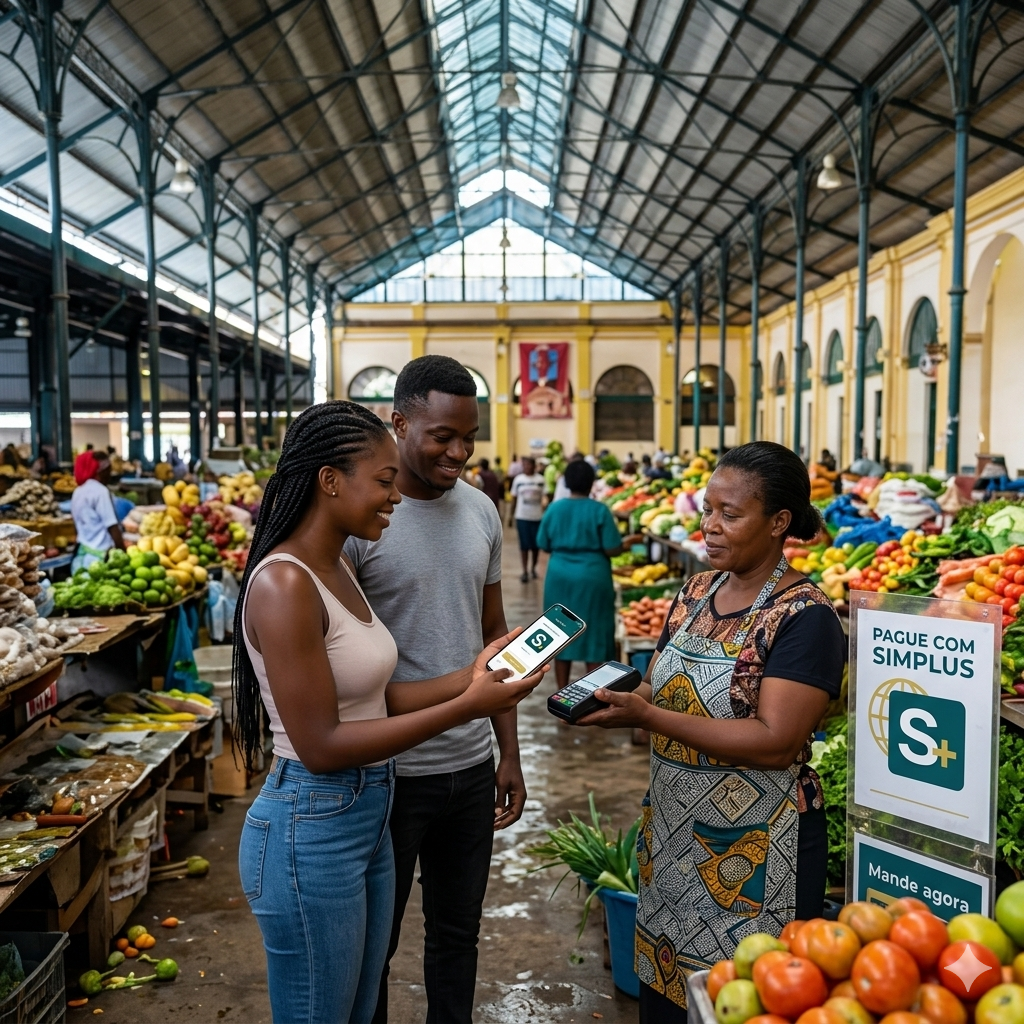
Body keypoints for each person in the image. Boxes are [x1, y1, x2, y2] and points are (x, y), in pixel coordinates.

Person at [235, 400, 545, 1024]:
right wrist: (467, 707)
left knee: (357, 1008)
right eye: (382, 482)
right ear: (330, 480)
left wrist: (472, 677)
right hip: (311, 824)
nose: (394, 497)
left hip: (366, 813)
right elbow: (321, 743)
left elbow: (377, 695)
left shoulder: (335, 568)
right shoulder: (285, 584)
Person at [577, 441, 845, 1024]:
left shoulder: (806, 616)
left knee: (744, 999)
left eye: (731, 513)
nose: (711, 527)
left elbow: (775, 740)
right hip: (673, 837)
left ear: (779, 523)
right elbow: (658, 685)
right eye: (708, 509)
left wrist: (646, 718)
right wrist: (616, 699)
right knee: (667, 997)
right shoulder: (696, 593)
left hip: (759, 848)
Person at [343, 356, 531, 1024]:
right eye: (442, 435)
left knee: (458, 936)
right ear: (399, 422)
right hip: (388, 775)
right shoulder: (364, 520)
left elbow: (493, 636)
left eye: (469, 436)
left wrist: (507, 752)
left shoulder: (480, 510)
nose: (459, 451)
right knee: (375, 945)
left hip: (469, 769)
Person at [537, 460, 622, 691]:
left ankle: (561, 693)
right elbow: (612, 547)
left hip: (559, 577)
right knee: (594, 633)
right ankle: (593, 695)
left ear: (565, 482)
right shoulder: (599, 510)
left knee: (560, 632)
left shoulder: (555, 509)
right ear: (592, 482)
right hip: (593, 577)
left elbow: (542, 543)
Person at [70, 451, 126, 572]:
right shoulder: (101, 491)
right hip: (100, 559)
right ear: (100, 471)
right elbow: (112, 527)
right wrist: (123, 554)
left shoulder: (78, 491)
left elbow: (77, 527)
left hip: (81, 557)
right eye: (108, 470)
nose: (110, 474)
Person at [509, 455, 545, 583]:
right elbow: (514, 498)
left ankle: (533, 568)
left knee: (535, 546)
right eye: (524, 465)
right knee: (524, 545)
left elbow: (544, 498)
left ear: (534, 466)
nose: (526, 467)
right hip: (522, 516)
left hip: (536, 517)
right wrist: (511, 516)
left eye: (529, 465)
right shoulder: (518, 480)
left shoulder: (541, 480)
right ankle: (524, 570)